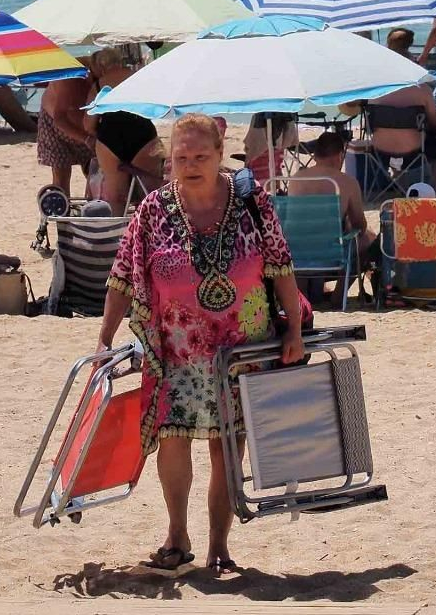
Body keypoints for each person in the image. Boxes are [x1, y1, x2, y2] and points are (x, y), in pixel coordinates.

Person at [97, 114, 305, 574]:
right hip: (175, 352)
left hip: (241, 351)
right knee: (173, 441)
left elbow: (280, 264)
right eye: (181, 157)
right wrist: (104, 337)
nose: (191, 165)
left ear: (219, 153)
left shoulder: (253, 201)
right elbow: (123, 276)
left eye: (201, 156)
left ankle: (219, 546)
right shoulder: (151, 210)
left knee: (227, 448)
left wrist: (292, 330)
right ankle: (176, 534)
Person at [349, 29, 436, 188]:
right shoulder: (422, 90)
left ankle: (398, 182)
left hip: (380, 149)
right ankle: (432, 189)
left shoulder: (374, 89)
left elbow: (356, 110)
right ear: (411, 62)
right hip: (413, 149)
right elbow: (435, 123)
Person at [86, 49, 163, 214]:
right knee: (148, 192)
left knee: (116, 196)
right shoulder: (140, 77)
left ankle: (118, 234)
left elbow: (88, 124)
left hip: (110, 137)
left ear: (100, 67)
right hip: (142, 132)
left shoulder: (99, 85)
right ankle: (150, 231)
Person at [287, 130, 373, 267]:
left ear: (315, 155)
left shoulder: (297, 178)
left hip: (297, 253)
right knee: (368, 240)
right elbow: (360, 226)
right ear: (340, 155)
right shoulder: (347, 182)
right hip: (332, 254)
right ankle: (340, 289)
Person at [36, 59, 97, 195]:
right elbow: (60, 119)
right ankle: (63, 211)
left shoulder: (105, 78)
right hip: (55, 123)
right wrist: (86, 139)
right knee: (62, 174)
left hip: (86, 127)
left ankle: (92, 209)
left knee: (95, 173)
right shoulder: (69, 77)